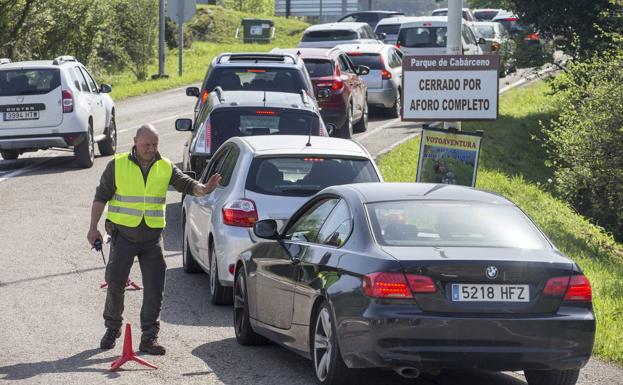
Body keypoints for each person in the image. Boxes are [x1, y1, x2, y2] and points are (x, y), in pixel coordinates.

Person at [86, 124, 221, 355]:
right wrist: (93, 228)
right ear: (135, 141)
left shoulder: (165, 166)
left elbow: (187, 185)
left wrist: (204, 189)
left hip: (152, 238)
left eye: (154, 145)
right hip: (123, 235)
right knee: (115, 282)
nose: (150, 149)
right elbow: (101, 197)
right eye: (146, 144)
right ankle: (113, 327)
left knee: (155, 287)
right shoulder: (117, 164)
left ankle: (149, 337)